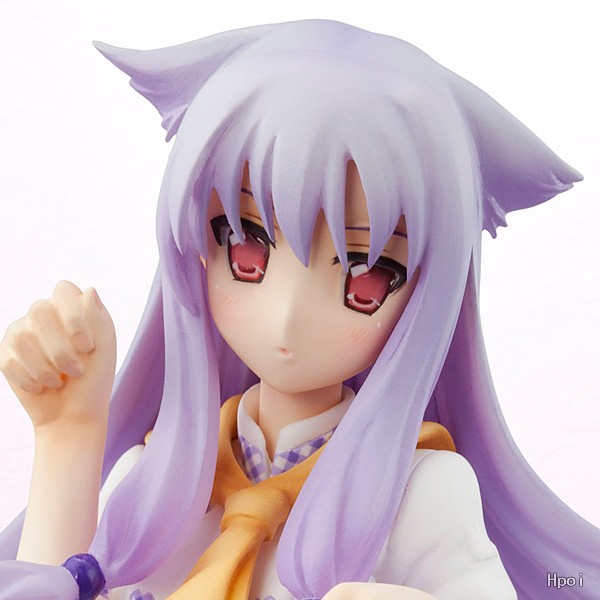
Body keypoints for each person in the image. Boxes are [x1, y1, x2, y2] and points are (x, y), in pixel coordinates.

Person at [0, 19, 597, 600]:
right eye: (245, 246)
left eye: (367, 276)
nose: (286, 314)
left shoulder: (421, 498)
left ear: (426, 296)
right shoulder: (149, 485)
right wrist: (67, 439)